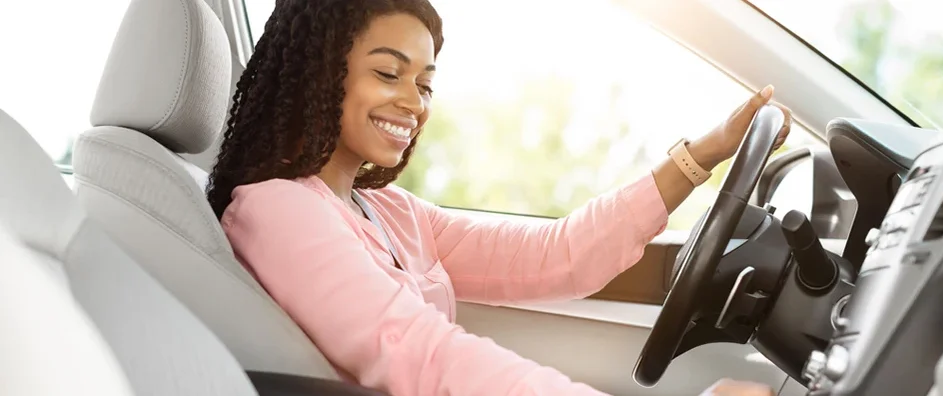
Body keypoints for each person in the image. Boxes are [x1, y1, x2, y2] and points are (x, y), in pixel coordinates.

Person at [206, 0, 790, 395]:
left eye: (425, 83)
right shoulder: (275, 209)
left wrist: (704, 154)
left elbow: (558, 254)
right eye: (389, 74)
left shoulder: (391, 212)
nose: (414, 102)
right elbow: (421, 353)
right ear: (317, 74)